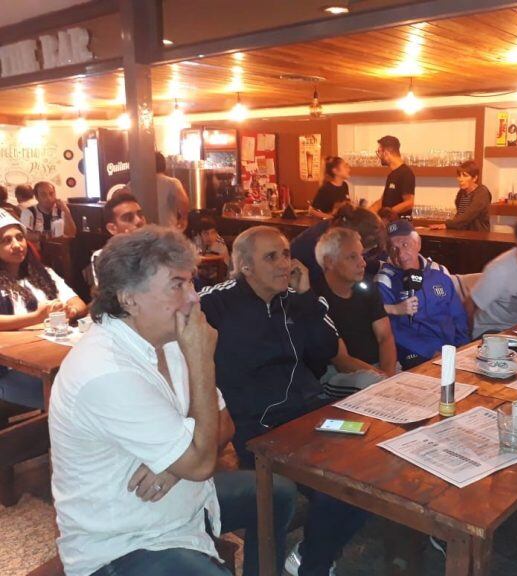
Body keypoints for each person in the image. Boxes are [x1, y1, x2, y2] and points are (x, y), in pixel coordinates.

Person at [49, 226, 296, 576]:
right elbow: (199, 464)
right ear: (128, 298)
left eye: (191, 283)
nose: (194, 298)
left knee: (277, 493)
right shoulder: (106, 371)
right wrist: (201, 361)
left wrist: (173, 467)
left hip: (187, 505)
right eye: (177, 285)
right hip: (125, 542)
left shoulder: (169, 336)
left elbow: (224, 426)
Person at [199, 226, 366, 576]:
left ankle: (311, 559)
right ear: (244, 266)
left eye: (287, 254)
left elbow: (326, 352)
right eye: (271, 256)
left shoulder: (300, 299)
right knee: (334, 490)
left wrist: (305, 298)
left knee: (370, 472)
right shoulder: (217, 302)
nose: (284, 264)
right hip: (257, 426)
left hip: (311, 414)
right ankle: (315, 564)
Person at [0, 209, 86, 409]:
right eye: (6, 241)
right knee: (70, 398)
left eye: (20, 238)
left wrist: (69, 310)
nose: (17, 245)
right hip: (11, 370)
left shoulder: (43, 273)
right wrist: (37, 317)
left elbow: (78, 302)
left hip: (50, 357)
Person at [374, 220, 469, 369]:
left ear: (418, 244)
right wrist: (430, 353)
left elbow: (458, 316)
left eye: (405, 244)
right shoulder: (385, 280)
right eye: (393, 248)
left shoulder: (440, 271)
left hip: (450, 350)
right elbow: (389, 330)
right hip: (414, 353)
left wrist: (462, 348)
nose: (400, 253)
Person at [314, 227, 397, 397]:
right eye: (352, 257)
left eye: (361, 255)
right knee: (370, 385)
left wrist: (388, 375)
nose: (363, 263)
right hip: (336, 375)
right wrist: (382, 378)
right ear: (329, 261)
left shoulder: (366, 288)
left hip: (377, 369)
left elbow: (385, 337)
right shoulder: (316, 297)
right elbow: (341, 360)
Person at [290, 203, 385, 285]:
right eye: (363, 253)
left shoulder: (338, 226)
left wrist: (380, 266)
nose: (363, 260)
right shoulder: (323, 248)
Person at [84, 190, 147, 292]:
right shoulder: (102, 257)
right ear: (112, 228)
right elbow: (113, 298)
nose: (139, 221)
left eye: (140, 215)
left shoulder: (160, 248)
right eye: (128, 218)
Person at [429, 160, 492, 232]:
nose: (460, 179)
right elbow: (459, 215)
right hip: (463, 236)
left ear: (474, 178)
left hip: (478, 238)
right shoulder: (461, 193)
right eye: (459, 175)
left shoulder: (481, 193)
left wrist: (447, 225)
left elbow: (469, 215)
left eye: (465, 175)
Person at [370, 135, 415, 218]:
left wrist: (388, 214)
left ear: (386, 152)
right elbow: (382, 201)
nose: (378, 156)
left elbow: (409, 203)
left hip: (400, 226)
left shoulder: (406, 173)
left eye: (379, 152)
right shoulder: (392, 174)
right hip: (389, 224)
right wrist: (366, 213)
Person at [149, 151, 191, 231]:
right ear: (163, 164)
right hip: (166, 230)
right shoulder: (172, 182)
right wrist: (184, 218)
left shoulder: (134, 184)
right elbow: (183, 201)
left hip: (143, 233)